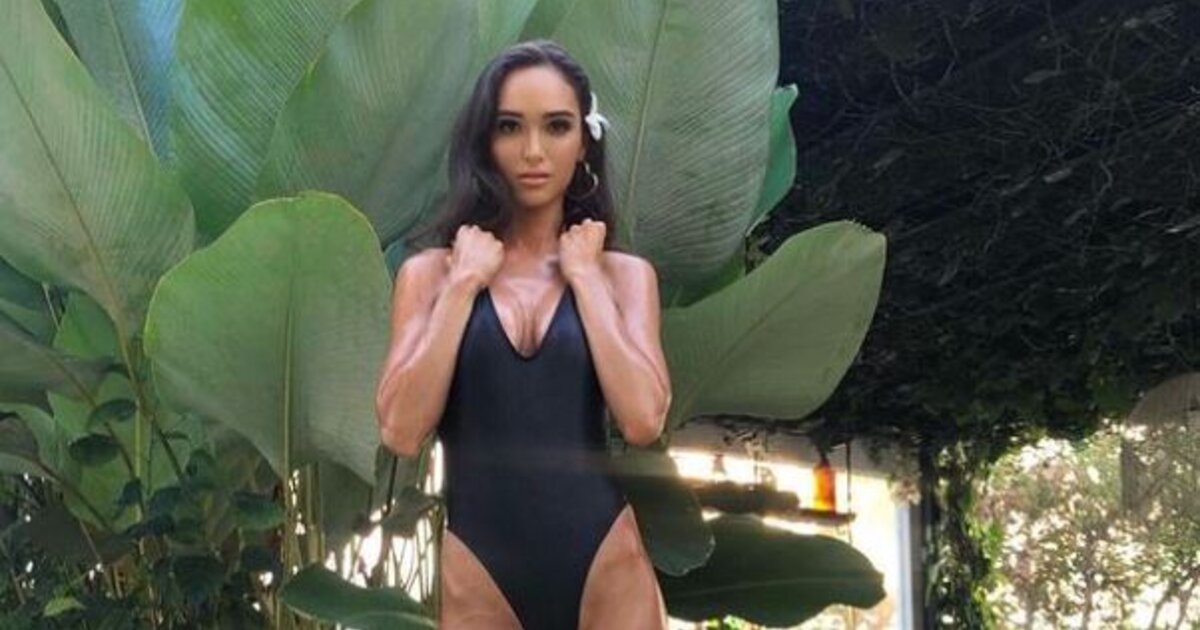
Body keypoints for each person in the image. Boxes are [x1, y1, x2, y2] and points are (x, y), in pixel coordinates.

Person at [375, 39, 673, 629]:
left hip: (606, 567)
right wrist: (463, 286)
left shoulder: (623, 277)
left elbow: (643, 421)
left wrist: (585, 277)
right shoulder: (430, 276)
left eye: (556, 126)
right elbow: (401, 432)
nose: (533, 151)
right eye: (510, 127)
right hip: (480, 575)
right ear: (484, 140)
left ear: (584, 141)